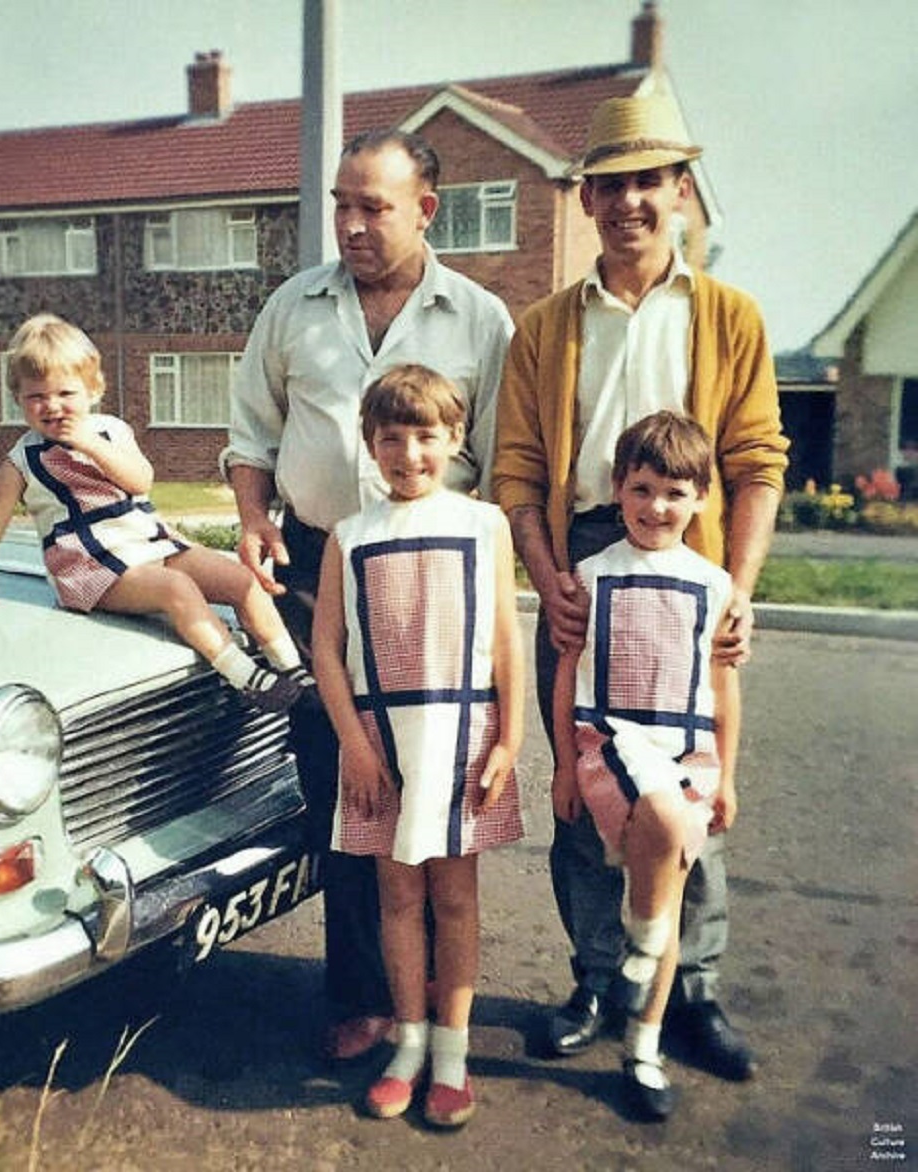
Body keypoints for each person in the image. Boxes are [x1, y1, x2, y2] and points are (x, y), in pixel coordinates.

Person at [492, 94, 788, 1082]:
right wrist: (549, 577)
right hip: (584, 557)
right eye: (610, 184)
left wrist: (737, 588)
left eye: (647, 182)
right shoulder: (544, 326)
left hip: (689, 559)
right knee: (586, 788)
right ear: (587, 198)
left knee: (688, 791)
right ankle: (593, 978)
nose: (628, 202)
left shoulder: (729, 316)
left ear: (681, 191)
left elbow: (755, 462)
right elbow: (520, 471)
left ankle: (690, 986)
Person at [223, 128, 514, 1061]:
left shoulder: (479, 320)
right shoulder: (294, 308)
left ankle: (436, 1007)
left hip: (438, 577)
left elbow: (508, 461)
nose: (349, 223)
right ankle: (360, 998)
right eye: (341, 205)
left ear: (425, 210)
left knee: (440, 791)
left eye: (372, 207)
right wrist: (254, 516)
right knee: (348, 786)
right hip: (320, 559)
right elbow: (250, 432)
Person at [312, 365, 524, 1127]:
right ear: (369, 444)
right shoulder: (350, 536)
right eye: (391, 438)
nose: (408, 454)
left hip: (461, 732)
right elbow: (327, 651)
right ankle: (406, 1044)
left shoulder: (484, 524)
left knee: (455, 898)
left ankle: (452, 1054)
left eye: (425, 436)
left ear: (455, 438)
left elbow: (505, 637)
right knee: (397, 898)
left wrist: (511, 737)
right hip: (379, 738)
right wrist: (355, 748)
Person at [0, 313, 312, 713]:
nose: (52, 406)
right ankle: (245, 676)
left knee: (241, 580)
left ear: (93, 390)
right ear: (18, 399)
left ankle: (293, 669)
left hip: (150, 544)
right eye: (36, 397)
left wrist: (91, 445)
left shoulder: (110, 431)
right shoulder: (21, 461)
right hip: (91, 570)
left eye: (65, 394)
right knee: (177, 589)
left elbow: (140, 480)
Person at [553, 410, 740, 1120]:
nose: (657, 507)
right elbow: (568, 669)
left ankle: (644, 1048)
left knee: (662, 884)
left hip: (690, 751)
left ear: (700, 499)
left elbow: (724, 687)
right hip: (612, 745)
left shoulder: (713, 584)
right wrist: (567, 766)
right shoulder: (592, 575)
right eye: (642, 489)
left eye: (675, 492)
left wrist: (732, 774)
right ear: (619, 490)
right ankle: (642, 949)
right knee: (658, 838)